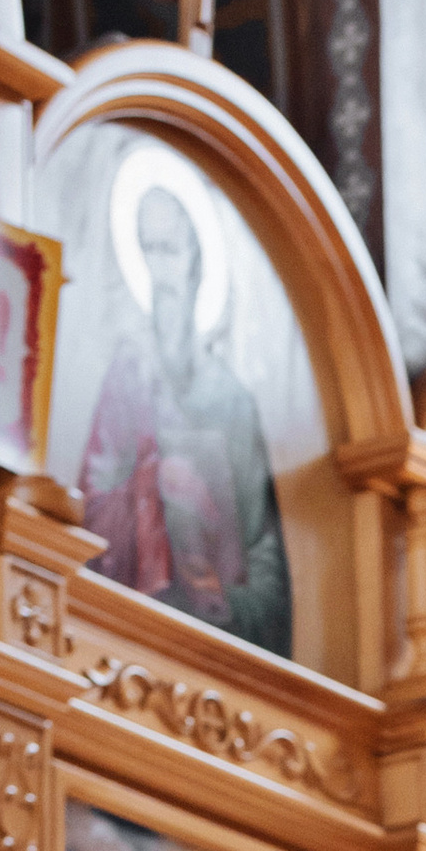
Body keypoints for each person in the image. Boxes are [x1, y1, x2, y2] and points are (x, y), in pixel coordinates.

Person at [78, 184, 294, 660]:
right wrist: (152, 485)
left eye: (171, 250)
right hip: (126, 639)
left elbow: (264, 556)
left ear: (197, 263)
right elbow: (90, 509)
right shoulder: (127, 377)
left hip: (217, 653)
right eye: (149, 249)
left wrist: (223, 598)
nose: (161, 273)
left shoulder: (233, 403)